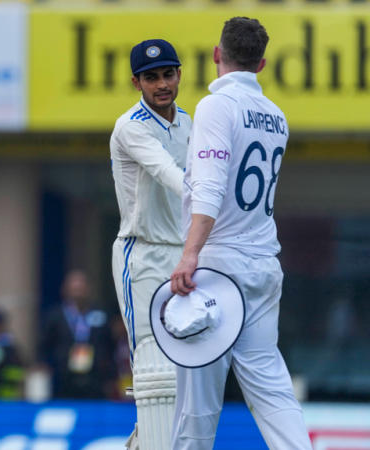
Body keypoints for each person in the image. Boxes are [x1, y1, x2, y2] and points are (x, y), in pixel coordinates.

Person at [169, 17, 312, 449]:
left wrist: (190, 255)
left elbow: (210, 188)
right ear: (262, 64)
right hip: (263, 264)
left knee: (197, 400)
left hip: (218, 265)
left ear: (216, 54)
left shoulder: (215, 106)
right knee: (271, 388)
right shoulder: (276, 116)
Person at [109, 39, 191, 449]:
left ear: (179, 75)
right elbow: (168, 174)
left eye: (168, 74)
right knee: (152, 365)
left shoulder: (191, 124)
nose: (162, 84)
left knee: (186, 366)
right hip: (142, 254)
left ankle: (145, 442)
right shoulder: (131, 126)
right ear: (136, 82)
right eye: (151, 77)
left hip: (183, 253)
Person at [40, 270, 117, 399]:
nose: (78, 293)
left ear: (88, 289)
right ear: (65, 290)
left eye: (81, 288)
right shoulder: (56, 315)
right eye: (74, 289)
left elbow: (109, 343)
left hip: (96, 376)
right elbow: (44, 344)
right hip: (64, 376)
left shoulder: (101, 313)